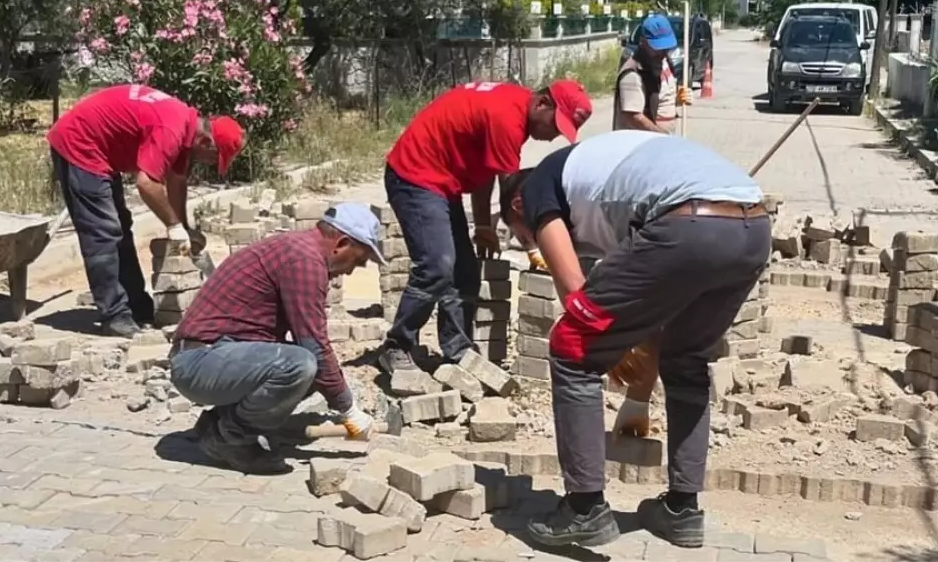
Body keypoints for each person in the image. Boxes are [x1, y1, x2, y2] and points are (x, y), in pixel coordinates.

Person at [498, 130, 769, 550]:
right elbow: (657, 310)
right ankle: (682, 511)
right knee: (686, 359)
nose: (533, 242)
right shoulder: (601, 181)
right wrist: (636, 399)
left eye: (525, 235)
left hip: (688, 224)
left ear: (518, 207)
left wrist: (603, 343)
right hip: (752, 229)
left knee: (570, 348)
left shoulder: (536, 187)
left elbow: (573, 293)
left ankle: (584, 509)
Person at [377, 79, 593, 375]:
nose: (553, 134)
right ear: (542, 103)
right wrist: (532, 244)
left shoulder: (515, 106)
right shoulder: (508, 119)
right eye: (555, 125)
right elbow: (511, 197)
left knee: (464, 269)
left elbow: (485, 174)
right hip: (415, 175)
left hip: (441, 182)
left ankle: (457, 348)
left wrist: (482, 226)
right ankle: (397, 346)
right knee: (436, 266)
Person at [169, 203, 384, 473]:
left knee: (305, 369)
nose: (351, 270)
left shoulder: (298, 250)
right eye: (358, 259)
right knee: (300, 364)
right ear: (341, 243)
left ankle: (218, 424)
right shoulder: (305, 260)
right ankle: (230, 440)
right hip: (199, 362)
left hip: (213, 357)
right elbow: (314, 345)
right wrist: (349, 412)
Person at [47, 84, 245, 339]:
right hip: (79, 143)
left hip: (101, 149)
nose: (209, 164)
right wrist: (173, 227)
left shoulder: (187, 132)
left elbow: (176, 182)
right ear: (206, 142)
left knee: (120, 225)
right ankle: (114, 315)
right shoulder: (171, 130)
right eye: (212, 158)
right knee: (103, 231)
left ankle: (137, 306)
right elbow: (147, 184)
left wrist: (183, 227)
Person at [614, 14, 691, 135]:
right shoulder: (633, 74)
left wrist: (677, 99)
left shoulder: (664, 62)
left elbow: (660, 99)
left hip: (664, 140)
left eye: (666, 47)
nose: (663, 52)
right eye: (658, 47)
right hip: (644, 143)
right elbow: (633, 117)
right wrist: (660, 137)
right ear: (643, 42)